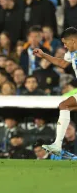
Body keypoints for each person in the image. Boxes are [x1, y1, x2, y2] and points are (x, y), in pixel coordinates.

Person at [33, 27, 77, 155]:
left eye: (65, 42)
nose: (64, 46)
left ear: (73, 41)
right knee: (64, 106)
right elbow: (62, 63)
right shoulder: (71, 54)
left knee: (64, 105)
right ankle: (57, 145)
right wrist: (44, 55)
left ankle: (58, 144)